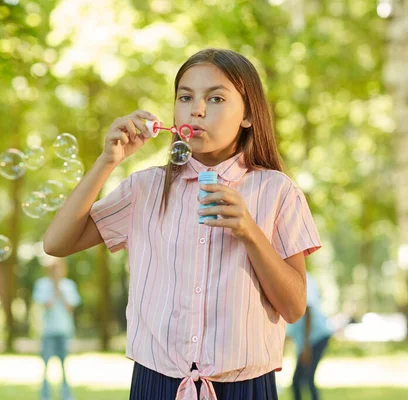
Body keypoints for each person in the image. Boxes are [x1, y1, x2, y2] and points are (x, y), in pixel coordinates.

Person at [43, 48, 321, 400]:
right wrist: (107, 161)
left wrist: (250, 232)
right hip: (155, 382)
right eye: (185, 96)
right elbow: (56, 243)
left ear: (249, 114)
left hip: (246, 387)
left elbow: (295, 307)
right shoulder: (145, 188)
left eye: (216, 98)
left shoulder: (278, 191)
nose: (197, 109)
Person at [32, 256, 81, 400]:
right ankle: (45, 395)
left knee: (64, 366)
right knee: (45, 366)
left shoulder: (69, 285)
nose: (56, 272)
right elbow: (46, 305)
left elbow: (70, 306)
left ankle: (66, 395)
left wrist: (60, 288)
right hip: (48, 331)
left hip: (64, 331)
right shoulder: (42, 285)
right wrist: (54, 288)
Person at [286, 272, 332, 400]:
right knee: (298, 381)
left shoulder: (302, 277)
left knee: (305, 380)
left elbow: (308, 311)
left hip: (316, 338)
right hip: (309, 340)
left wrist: (306, 346)